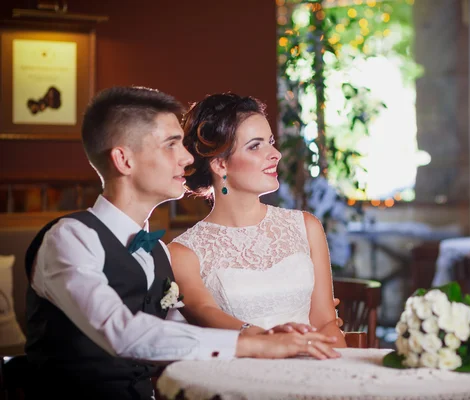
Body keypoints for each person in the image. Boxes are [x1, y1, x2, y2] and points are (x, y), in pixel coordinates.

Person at [24, 86, 340, 400]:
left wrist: (271, 334)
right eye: (171, 145)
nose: (188, 157)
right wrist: (257, 344)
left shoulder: (157, 252)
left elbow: (183, 338)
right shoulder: (68, 239)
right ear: (124, 159)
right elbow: (122, 333)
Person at [168, 93, 347, 347]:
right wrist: (274, 341)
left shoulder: (306, 227)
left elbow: (326, 323)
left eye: (271, 142)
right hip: (239, 375)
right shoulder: (184, 252)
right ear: (220, 165)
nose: (275, 154)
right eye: (255, 145)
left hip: (315, 368)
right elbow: (205, 313)